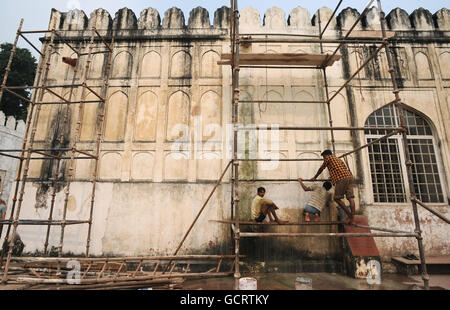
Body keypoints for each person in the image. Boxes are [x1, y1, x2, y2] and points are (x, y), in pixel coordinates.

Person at [311, 150, 356, 224]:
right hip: (349, 177)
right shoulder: (338, 159)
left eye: (323, 157)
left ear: (326, 155)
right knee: (350, 198)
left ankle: (350, 215)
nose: (324, 159)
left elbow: (321, 168)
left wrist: (315, 177)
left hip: (341, 179)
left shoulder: (329, 158)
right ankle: (353, 218)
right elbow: (341, 169)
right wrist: (332, 178)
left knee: (337, 198)